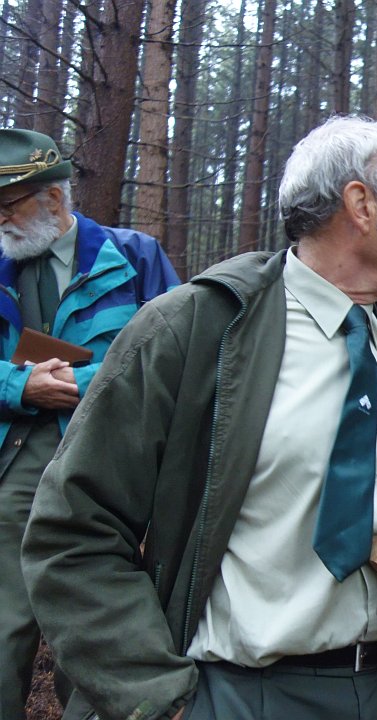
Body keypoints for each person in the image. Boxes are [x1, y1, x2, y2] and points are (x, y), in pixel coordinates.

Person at [21, 115, 377, 720]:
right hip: (242, 695)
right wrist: (157, 696)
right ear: (361, 206)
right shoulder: (193, 331)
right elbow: (75, 529)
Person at [0, 128, 179, 720]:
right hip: (12, 470)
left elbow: (179, 354)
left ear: (54, 198)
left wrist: (88, 383)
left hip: (111, 473)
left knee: (99, 631)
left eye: (8, 206)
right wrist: (18, 385)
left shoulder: (134, 257)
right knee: (2, 628)